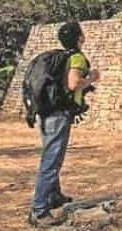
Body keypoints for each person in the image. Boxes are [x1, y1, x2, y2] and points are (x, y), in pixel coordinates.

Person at [28, 21, 97, 227]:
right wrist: (92, 78)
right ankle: (39, 211)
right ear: (80, 38)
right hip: (59, 114)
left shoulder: (57, 57)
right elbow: (73, 83)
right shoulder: (76, 57)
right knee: (52, 160)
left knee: (51, 156)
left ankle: (54, 196)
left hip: (46, 113)